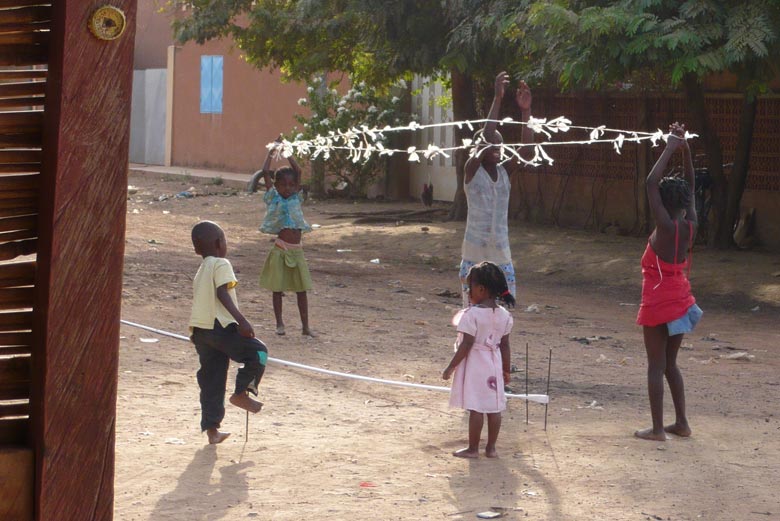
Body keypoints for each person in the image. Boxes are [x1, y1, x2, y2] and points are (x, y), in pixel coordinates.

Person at [635, 123, 702, 441]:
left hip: (658, 302)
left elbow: (650, 181)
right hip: (681, 301)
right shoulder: (691, 225)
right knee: (670, 365)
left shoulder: (663, 226)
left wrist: (671, 146)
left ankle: (659, 429)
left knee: (655, 365)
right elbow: (690, 184)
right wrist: (685, 150)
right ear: (685, 202)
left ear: (662, 202)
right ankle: (682, 423)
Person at [189, 220, 267, 444]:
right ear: (218, 243)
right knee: (258, 353)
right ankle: (241, 392)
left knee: (211, 379)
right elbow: (222, 293)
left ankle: (212, 431)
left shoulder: (201, 270)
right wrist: (242, 321)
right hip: (219, 326)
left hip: (201, 332)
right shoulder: (221, 263)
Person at [459, 71, 533, 306]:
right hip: (474, 256)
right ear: (480, 147)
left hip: (501, 256)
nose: (497, 147)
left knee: (502, 314)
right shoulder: (472, 171)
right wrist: (498, 99)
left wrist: (525, 112)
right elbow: (487, 137)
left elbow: (527, 153)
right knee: (473, 315)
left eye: (500, 145)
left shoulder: (504, 173)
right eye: (492, 145)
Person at [442, 261, 516, 458]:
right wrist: (506, 370)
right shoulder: (505, 316)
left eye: (470, 287)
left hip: (477, 365)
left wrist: (451, 367)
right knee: (494, 408)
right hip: (494, 363)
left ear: (481, 289)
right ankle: (491, 448)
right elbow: (505, 345)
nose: (468, 292)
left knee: (476, 407)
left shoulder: (471, 315)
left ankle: (473, 449)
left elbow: (466, 344)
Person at [254, 139, 315, 336]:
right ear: (277, 186)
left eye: (291, 185)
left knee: (301, 289)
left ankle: (305, 327)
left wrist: (286, 150)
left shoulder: (297, 196)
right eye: (283, 185)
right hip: (281, 248)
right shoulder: (274, 197)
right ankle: (279, 323)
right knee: (277, 288)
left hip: (297, 251)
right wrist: (272, 150)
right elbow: (265, 172)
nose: (288, 188)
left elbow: (297, 171)